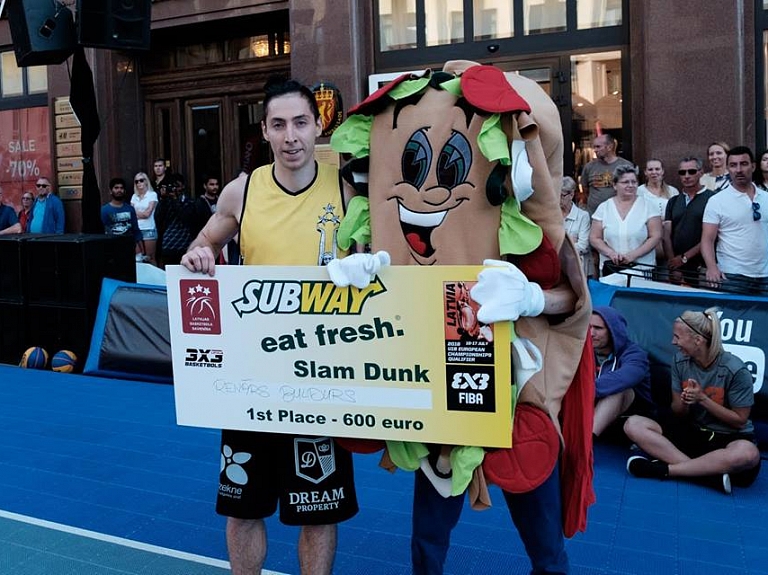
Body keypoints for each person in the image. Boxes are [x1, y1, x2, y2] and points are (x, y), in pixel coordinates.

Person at [330, 60, 594, 575]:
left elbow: (573, 302)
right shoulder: (393, 234)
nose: (428, 190)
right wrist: (360, 286)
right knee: (428, 542)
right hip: (443, 395)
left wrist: (530, 299)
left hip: (518, 394)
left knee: (544, 547)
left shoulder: (528, 227)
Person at [181, 77, 359, 575]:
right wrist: (200, 254)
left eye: (300, 123)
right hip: (252, 376)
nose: (290, 136)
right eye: (278, 125)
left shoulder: (347, 191)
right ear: (264, 131)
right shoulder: (243, 190)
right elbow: (203, 243)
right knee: (243, 507)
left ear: (318, 126)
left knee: (319, 510)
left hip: (321, 374)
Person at [624, 308, 762, 494]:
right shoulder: (679, 361)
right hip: (694, 431)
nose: (673, 342)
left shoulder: (735, 370)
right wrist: (685, 401)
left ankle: (666, 470)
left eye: (677, 337)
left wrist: (702, 399)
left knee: (748, 454)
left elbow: (739, 420)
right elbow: (678, 412)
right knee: (633, 424)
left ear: (698, 340)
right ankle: (705, 476)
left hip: (728, 437)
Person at [701, 146, 768, 294]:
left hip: (765, 274)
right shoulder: (716, 201)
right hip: (732, 274)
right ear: (728, 169)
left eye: (743, 164)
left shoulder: (766, 198)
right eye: (733, 165)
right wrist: (712, 267)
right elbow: (707, 240)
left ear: (753, 166)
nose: (738, 170)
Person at [589, 164, 662, 276]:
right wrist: (611, 253)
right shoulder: (604, 208)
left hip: (641, 268)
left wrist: (633, 255)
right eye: (625, 182)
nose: (630, 185)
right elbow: (594, 238)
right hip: (611, 268)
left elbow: (655, 236)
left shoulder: (649, 206)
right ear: (615, 185)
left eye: (634, 182)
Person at [590, 306, 652, 438]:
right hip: (591, 413)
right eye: (589, 327)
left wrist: (584, 390)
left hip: (629, 421)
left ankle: (587, 439)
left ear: (613, 331)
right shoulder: (584, 351)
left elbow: (624, 378)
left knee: (617, 390)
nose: (591, 333)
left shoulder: (635, 354)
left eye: (598, 328)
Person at [663, 157, 715, 285]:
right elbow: (666, 235)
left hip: (703, 267)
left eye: (691, 171)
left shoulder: (713, 199)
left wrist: (684, 258)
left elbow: (713, 235)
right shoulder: (673, 201)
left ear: (701, 172)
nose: (686, 176)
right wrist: (673, 265)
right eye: (682, 172)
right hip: (677, 268)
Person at [580, 133, 634, 216]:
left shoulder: (626, 166)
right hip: (594, 215)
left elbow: (632, 190)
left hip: (619, 214)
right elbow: (585, 190)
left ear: (609, 147)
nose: (595, 150)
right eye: (594, 147)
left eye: (598, 147)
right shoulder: (589, 167)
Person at [155, 174, 193, 267]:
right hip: (168, 244)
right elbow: (158, 218)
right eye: (172, 186)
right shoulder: (166, 201)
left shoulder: (189, 201)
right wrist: (163, 199)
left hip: (184, 245)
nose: (175, 189)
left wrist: (175, 200)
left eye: (177, 186)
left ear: (183, 186)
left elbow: (185, 217)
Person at [561, 175, 592, 277]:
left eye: (562, 196)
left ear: (571, 194)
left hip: (577, 268)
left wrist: (561, 247)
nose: (558, 199)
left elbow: (583, 246)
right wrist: (571, 242)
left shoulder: (583, 216)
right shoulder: (552, 215)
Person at [101, 177, 144, 249]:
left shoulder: (130, 209)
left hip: (129, 248)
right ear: (111, 191)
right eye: (116, 188)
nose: (119, 190)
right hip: (111, 248)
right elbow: (101, 232)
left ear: (124, 191)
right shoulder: (104, 210)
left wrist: (142, 251)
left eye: (121, 188)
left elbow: (136, 230)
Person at [130, 172, 158, 265]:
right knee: (138, 258)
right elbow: (131, 214)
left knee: (150, 257)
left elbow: (147, 214)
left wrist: (136, 214)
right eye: (136, 181)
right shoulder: (134, 196)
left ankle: (155, 274)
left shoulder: (152, 194)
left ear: (146, 181)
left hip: (149, 228)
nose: (139, 183)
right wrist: (139, 214)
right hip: (136, 229)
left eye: (141, 180)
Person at [189, 174, 220, 239]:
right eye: (211, 184)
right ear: (205, 186)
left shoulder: (221, 200)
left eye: (216, 184)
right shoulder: (199, 203)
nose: (215, 187)